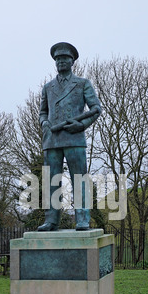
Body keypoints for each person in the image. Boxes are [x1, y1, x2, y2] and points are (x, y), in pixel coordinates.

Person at [38, 42, 101, 231]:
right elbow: (43, 112)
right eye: (57, 59)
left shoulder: (82, 84)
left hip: (74, 138)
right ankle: (51, 220)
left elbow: (96, 109)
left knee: (79, 179)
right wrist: (45, 124)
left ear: (72, 61)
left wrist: (81, 125)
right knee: (51, 181)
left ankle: (82, 218)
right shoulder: (48, 87)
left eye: (64, 58)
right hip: (52, 139)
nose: (61, 62)